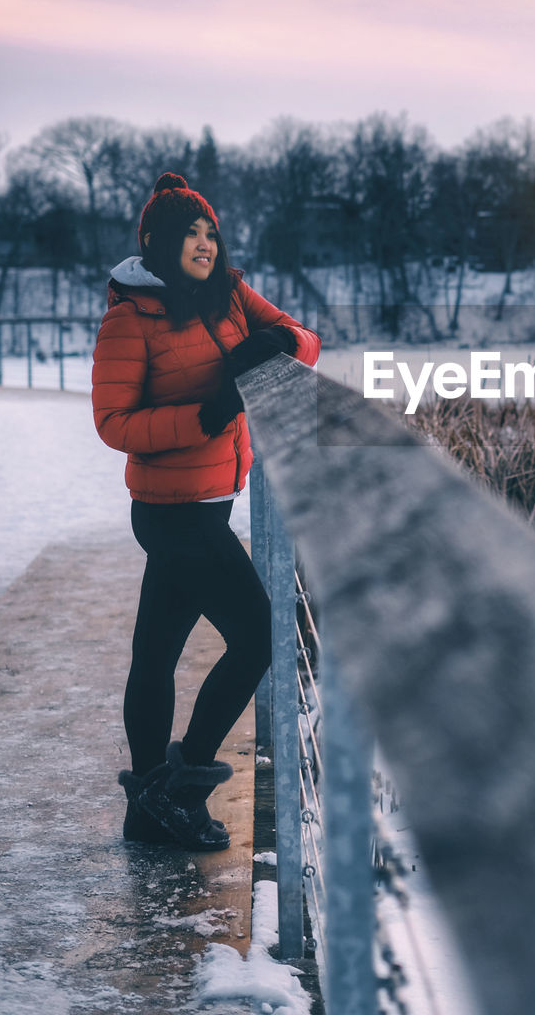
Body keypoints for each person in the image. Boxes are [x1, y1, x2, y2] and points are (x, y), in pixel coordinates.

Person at [92, 172, 320, 851]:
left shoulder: (227, 297)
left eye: (210, 231)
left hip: (211, 505)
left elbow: (303, 337)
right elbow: (113, 422)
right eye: (189, 232)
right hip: (171, 511)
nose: (203, 242)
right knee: (257, 636)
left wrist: (275, 346)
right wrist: (208, 413)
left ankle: (147, 808)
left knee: (156, 651)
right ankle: (181, 787)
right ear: (158, 243)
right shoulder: (130, 317)